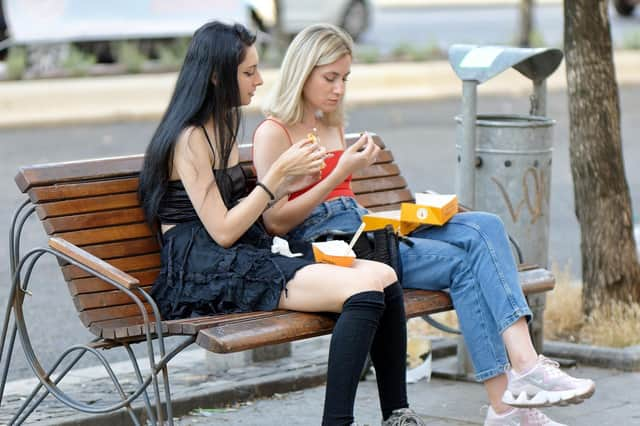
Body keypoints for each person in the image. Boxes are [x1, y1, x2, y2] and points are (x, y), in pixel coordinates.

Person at [252, 23, 596, 426]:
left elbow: (348, 202)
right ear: (303, 71)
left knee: (485, 224)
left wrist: (400, 210)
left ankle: (523, 368)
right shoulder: (272, 133)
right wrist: (338, 172)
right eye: (330, 78)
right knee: (463, 265)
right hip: (336, 251)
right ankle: (508, 405)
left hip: (369, 227)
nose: (339, 89)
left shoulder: (330, 122)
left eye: (345, 78)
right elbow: (274, 222)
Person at [138, 21, 425, 426]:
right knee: (361, 289)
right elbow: (222, 229)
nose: (259, 80)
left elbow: (243, 221)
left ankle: (396, 413)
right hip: (203, 266)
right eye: (249, 71)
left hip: (235, 252)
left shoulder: (221, 126)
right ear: (218, 75)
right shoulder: (189, 139)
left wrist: (293, 178)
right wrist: (275, 182)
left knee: (383, 275)